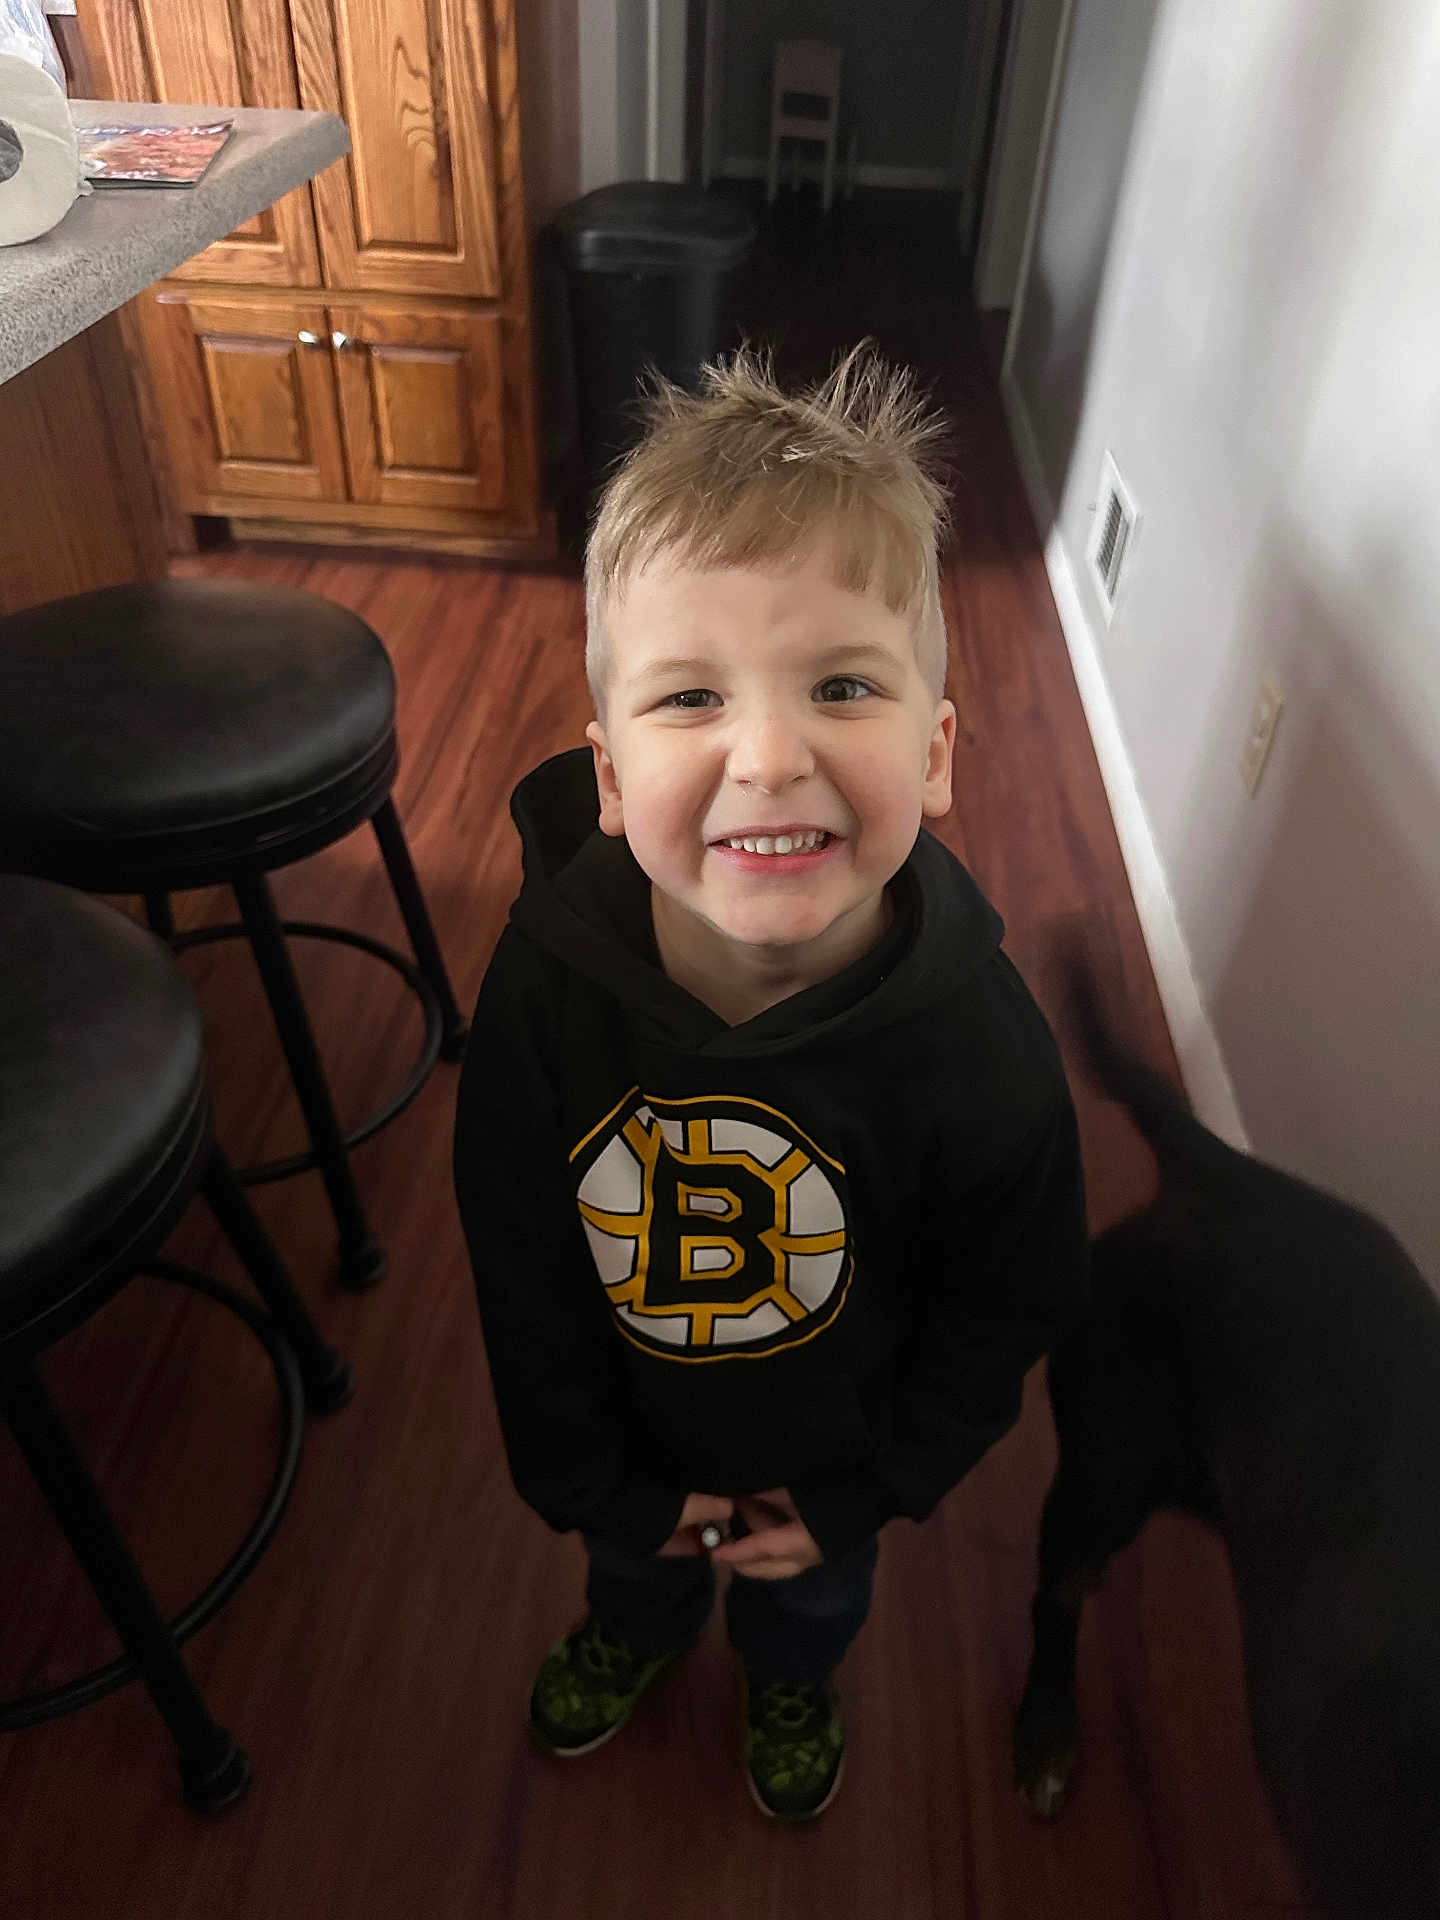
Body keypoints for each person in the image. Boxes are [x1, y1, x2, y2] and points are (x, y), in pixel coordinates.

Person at [452, 343, 1088, 1822]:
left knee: (810, 1604)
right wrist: (594, 1486)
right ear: (605, 783)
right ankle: (635, 1630)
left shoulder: (984, 1054)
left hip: (835, 1464)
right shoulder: (545, 991)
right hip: (629, 1444)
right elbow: (520, 1260)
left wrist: (867, 1494)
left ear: (935, 754)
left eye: (842, 684)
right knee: (638, 1580)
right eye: (689, 700)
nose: (768, 754)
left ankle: (790, 1674)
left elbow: (1010, 1303)